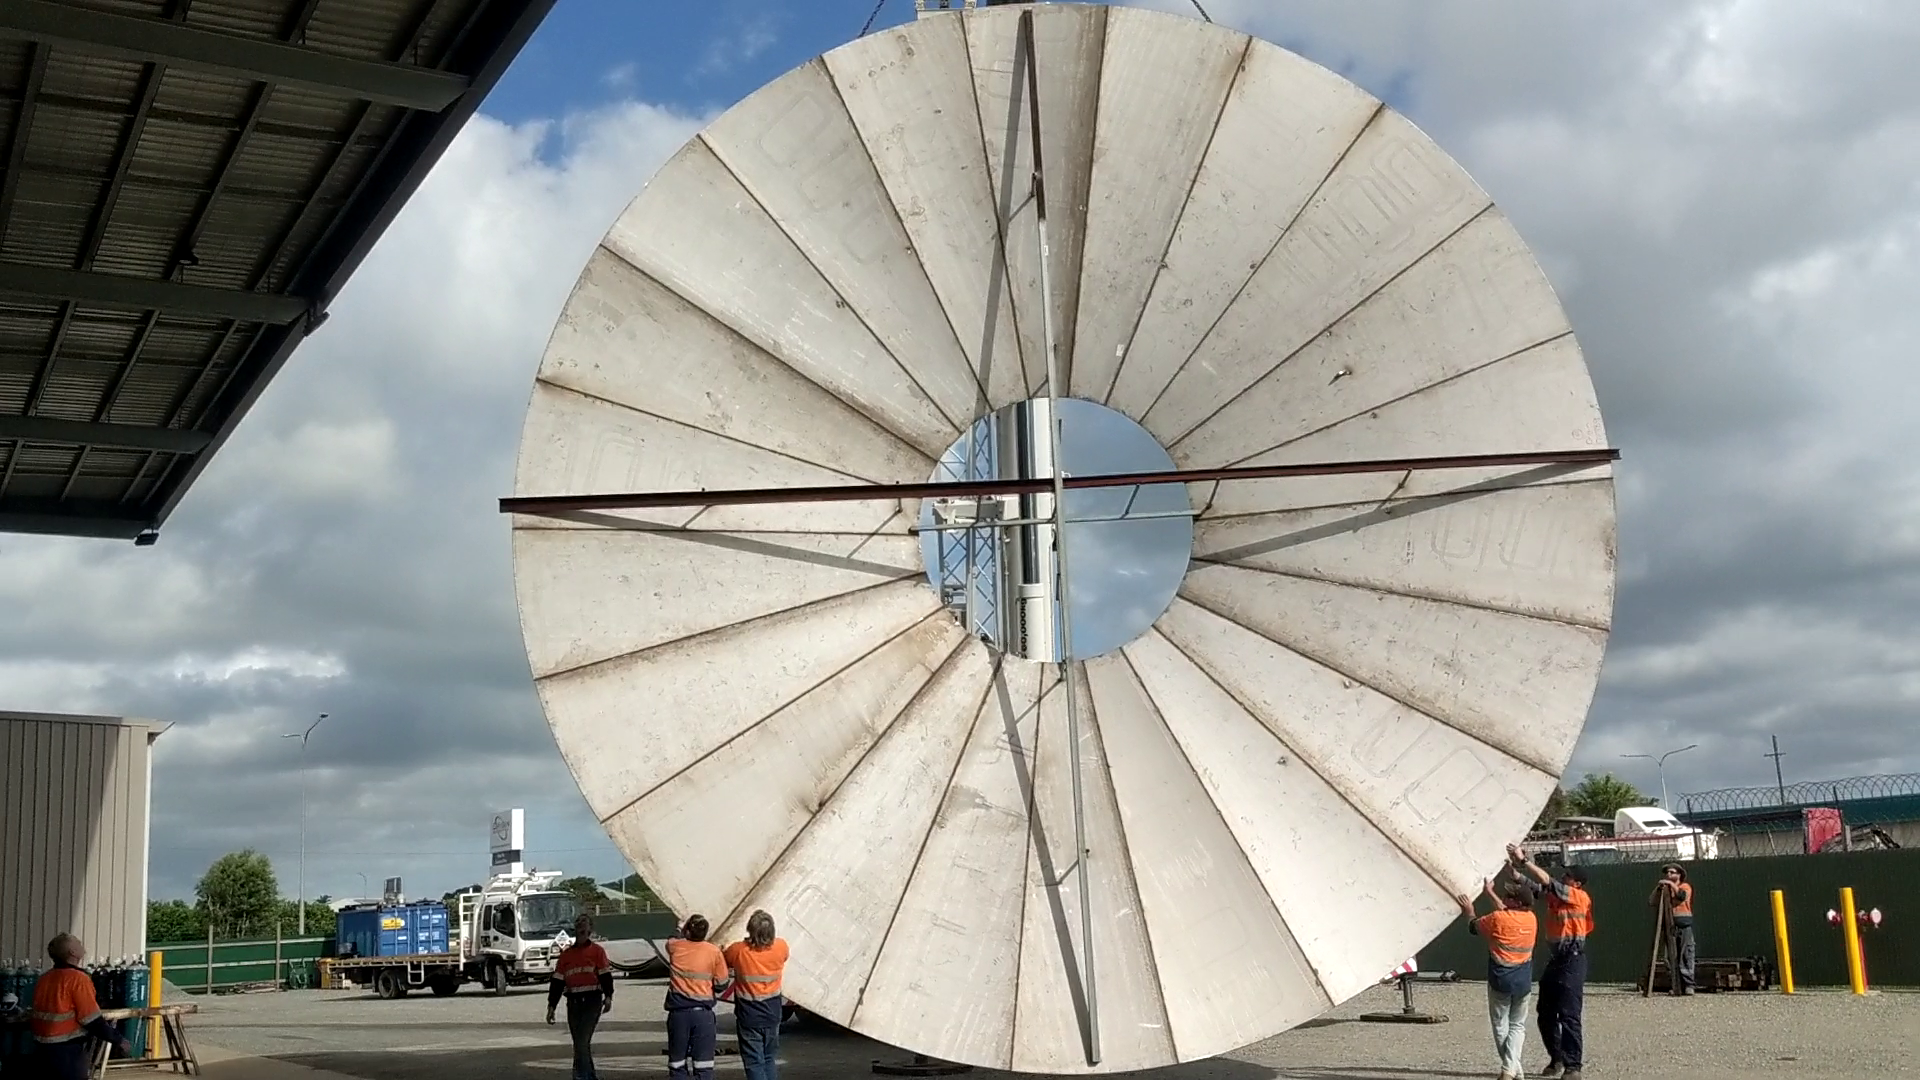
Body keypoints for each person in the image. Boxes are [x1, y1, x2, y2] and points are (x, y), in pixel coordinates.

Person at [1509, 844, 1591, 1080]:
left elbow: (1546, 881)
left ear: (1577, 883)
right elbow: (1536, 887)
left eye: (1567, 876)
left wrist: (1524, 861)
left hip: (1572, 960)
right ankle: (1557, 1059)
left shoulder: (1578, 896)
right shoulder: (1558, 896)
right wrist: (1514, 872)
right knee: (1545, 1012)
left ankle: (1573, 1066)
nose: (1563, 878)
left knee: (1569, 1014)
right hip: (1558, 960)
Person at [1458, 878, 1538, 1080]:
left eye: (1509, 896)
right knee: (1517, 1026)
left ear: (1517, 903)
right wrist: (1490, 893)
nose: (1505, 897)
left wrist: (1469, 910)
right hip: (1523, 981)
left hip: (1500, 980)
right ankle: (1514, 1070)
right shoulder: (1531, 919)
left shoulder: (1496, 919)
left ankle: (1510, 1070)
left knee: (1501, 1025)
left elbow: (1473, 927)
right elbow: (1506, 910)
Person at [29, 933, 131, 1079]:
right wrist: (118, 1040)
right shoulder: (78, 979)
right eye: (78, 942)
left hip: (41, 1050)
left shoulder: (44, 979)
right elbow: (91, 1019)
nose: (82, 944)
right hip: (67, 1053)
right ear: (72, 952)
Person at [724, 910, 790, 1080]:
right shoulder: (781, 947)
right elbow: (784, 956)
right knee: (769, 1059)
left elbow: (725, 958)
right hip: (773, 1013)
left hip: (749, 1015)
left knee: (754, 1062)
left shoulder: (739, 950)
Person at [547, 914, 614, 1080]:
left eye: (585, 927)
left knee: (582, 1042)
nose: (582, 930)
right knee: (579, 1044)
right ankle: (587, 1075)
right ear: (576, 930)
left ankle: (581, 1076)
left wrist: (608, 996)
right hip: (574, 1003)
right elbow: (557, 982)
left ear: (590, 930)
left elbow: (605, 976)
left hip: (592, 1002)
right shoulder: (566, 955)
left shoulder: (597, 952)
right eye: (579, 927)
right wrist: (551, 1006)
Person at [664, 914, 730, 1080]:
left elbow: (672, 937)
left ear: (687, 931)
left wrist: (680, 926)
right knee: (704, 1066)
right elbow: (722, 984)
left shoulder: (675, 947)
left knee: (677, 1064)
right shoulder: (713, 951)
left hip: (678, 1015)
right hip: (703, 1015)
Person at [1651, 864, 1696, 995]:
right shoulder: (1666, 890)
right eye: (1667, 873)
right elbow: (1652, 901)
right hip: (1669, 926)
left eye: (1672, 872)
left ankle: (1689, 985)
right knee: (1669, 957)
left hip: (1683, 925)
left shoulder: (1684, 887)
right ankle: (1676, 985)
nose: (1669, 875)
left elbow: (1681, 896)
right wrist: (1658, 888)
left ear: (1679, 875)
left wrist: (1671, 885)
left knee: (1686, 955)